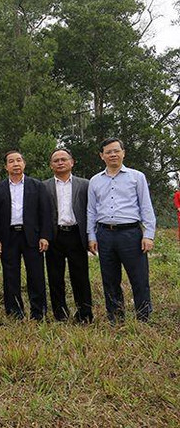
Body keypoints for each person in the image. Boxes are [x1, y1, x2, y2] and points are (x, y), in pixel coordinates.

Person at [87, 138, 156, 323]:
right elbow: (91, 211)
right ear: (102, 156)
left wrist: (148, 235)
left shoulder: (136, 177)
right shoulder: (95, 181)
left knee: (139, 278)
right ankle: (116, 318)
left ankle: (143, 317)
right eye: (108, 152)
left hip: (131, 234)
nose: (113, 154)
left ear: (123, 153)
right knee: (110, 279)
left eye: (116, 150)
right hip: (105, 234)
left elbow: (146, 207)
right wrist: (91, 235)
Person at [0, 151, 52, 321]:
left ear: (24, 164)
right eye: (11, 161)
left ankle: (38, 313)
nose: (15, 164)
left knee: (36, 275)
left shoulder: (37, 186)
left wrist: (45, 236)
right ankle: (14, 312)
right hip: (8, 236)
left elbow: (45, 213)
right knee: (10, 276)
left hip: (32, 236)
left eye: (18, 160)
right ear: (6, 166)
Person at [43, 148, 93, 323]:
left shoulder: (85, 184)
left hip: (76, 235)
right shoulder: (44, 186)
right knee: (55, 277)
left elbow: (91, 211)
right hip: (54, 236)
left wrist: (90, 236)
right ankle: (60, 314)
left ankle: (84, 314)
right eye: (56, 160)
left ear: (72, 162)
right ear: (51, 165)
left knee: (80, 276)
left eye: (64, 159)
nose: (60, 162)